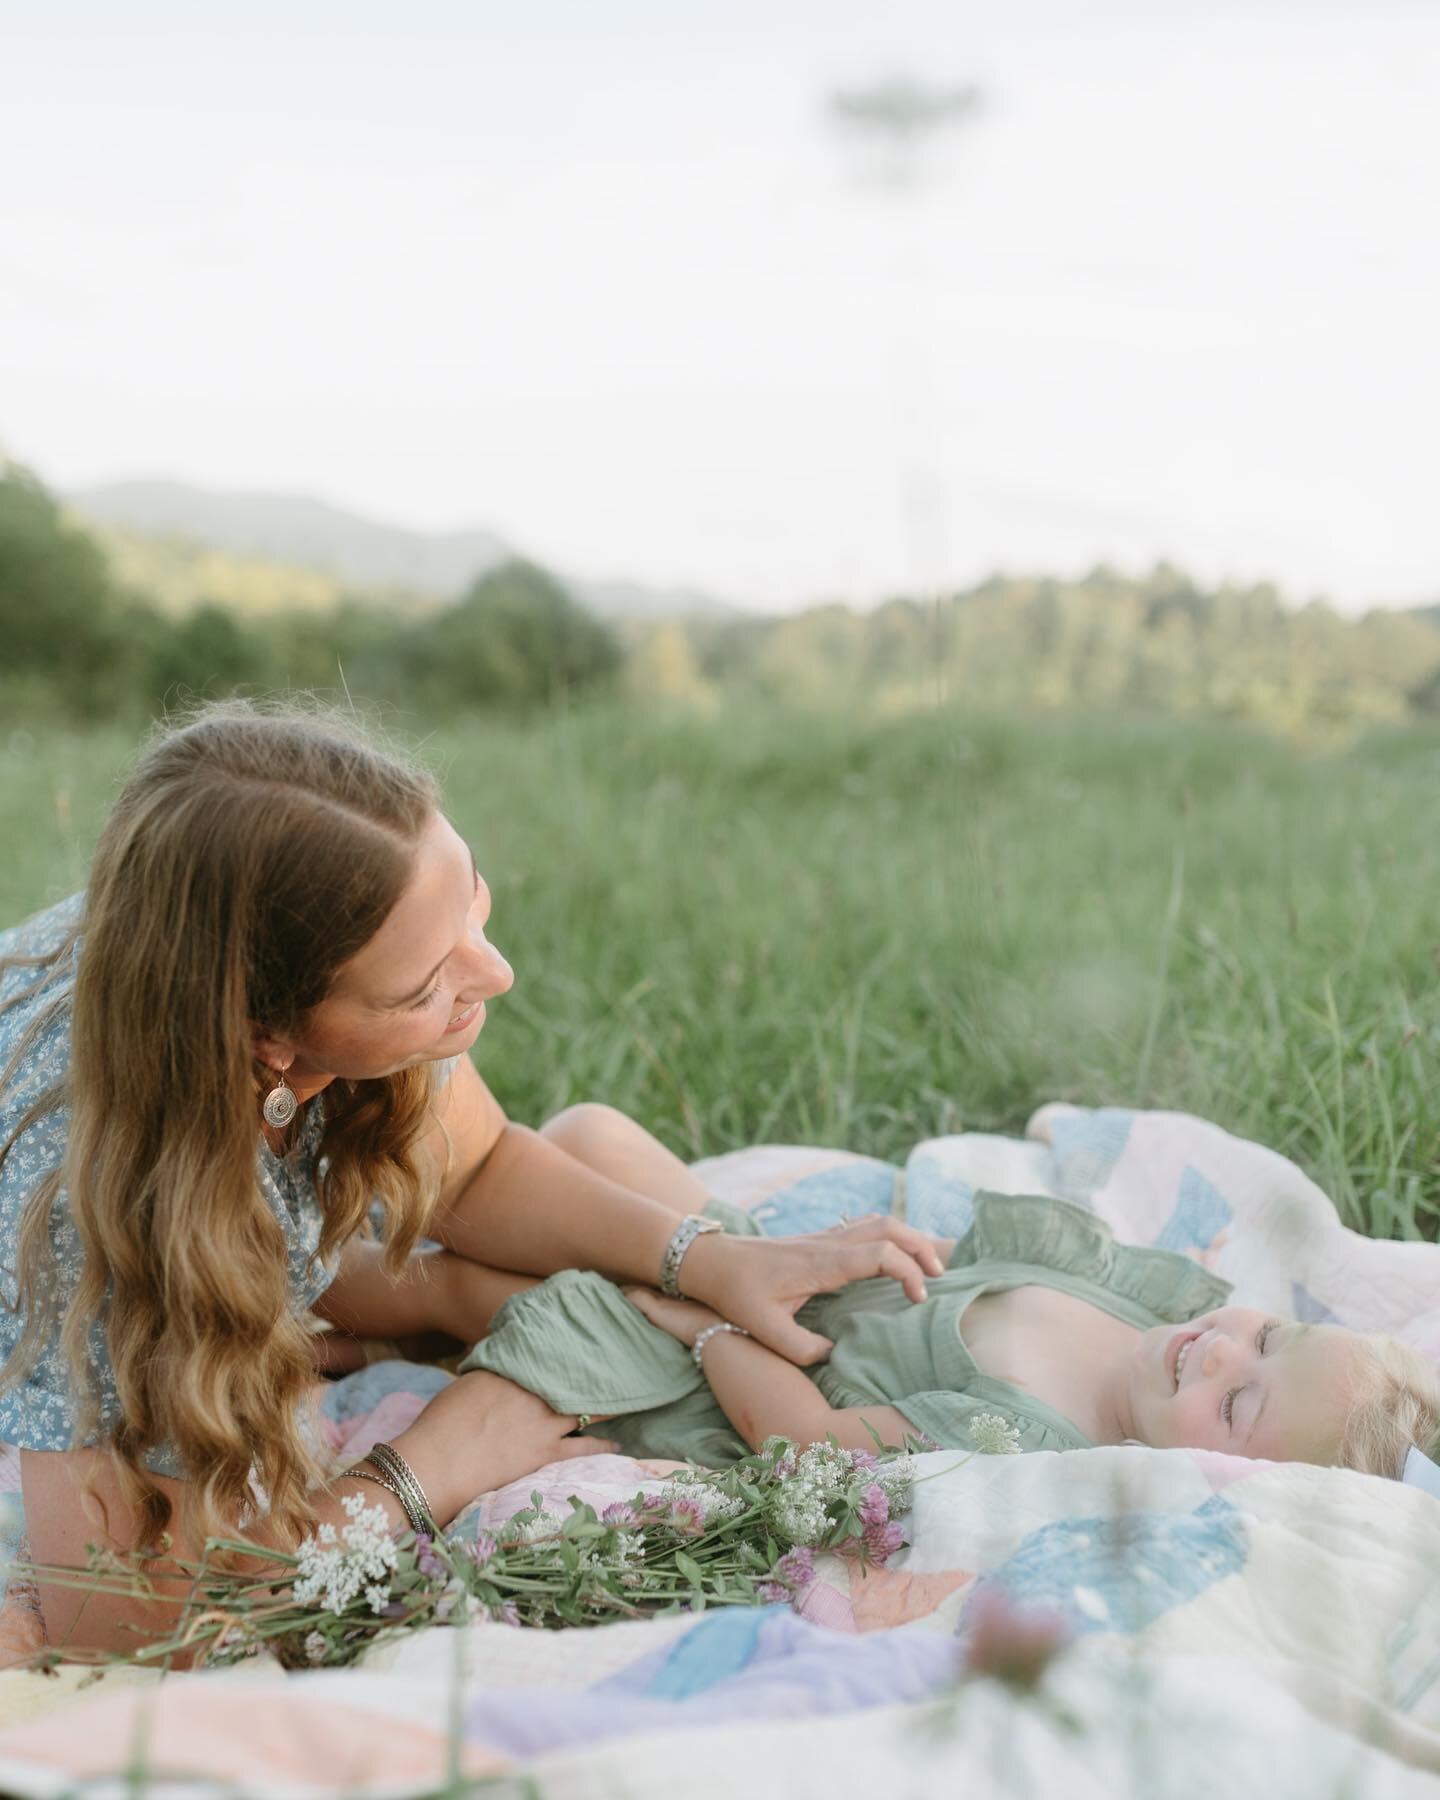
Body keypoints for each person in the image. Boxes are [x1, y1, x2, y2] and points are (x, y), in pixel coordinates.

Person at [0, 699, 945, 1657]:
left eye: (475, 907)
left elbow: (478, 1165)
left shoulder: (273, 921)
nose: (494, 974)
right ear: (266, 1035)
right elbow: (126, 1620)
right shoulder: (90, 1202)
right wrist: (426, 1470)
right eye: (422, 990)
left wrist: (707, 1259)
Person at [463, 1183, 1440, 1477]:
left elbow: (811, 1439)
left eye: (1236, 1403)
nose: (1220, 1352)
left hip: (710, 1370)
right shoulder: (1153, 1316)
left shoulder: (1034, 1440)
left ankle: (388, 1320)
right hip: (794, 1277)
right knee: (591, 1141)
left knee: (550, 1296)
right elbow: (955, 1268)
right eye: (1268, 1340)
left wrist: (700, 1327)